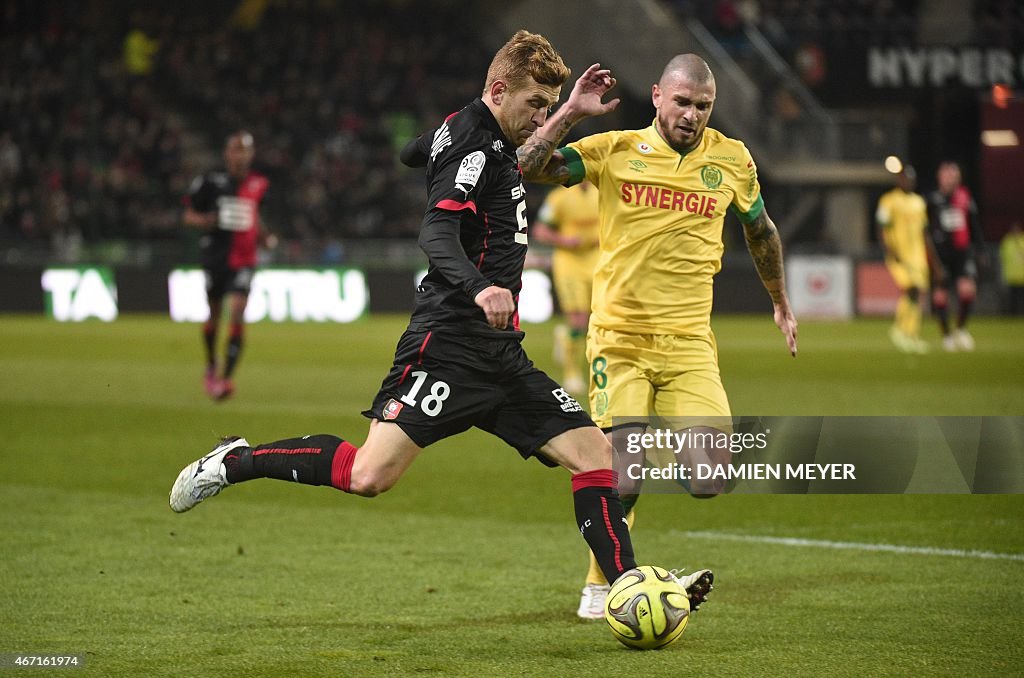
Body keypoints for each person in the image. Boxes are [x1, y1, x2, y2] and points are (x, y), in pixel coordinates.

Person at [169, 31, 714, 615]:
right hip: (448, 346)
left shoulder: (469, 130)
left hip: (502, 356)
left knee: (597, 459)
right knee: (368, 475)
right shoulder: (476, 149)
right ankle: (234, 461)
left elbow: (414, 150)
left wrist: (535, 120)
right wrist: (481, 288)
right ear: (500, 91)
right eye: (535, 104)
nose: (541, 118)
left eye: (549, 106)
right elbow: (435, 231)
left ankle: (623, 589)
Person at [518, 53, 797, 618]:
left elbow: (761, 232)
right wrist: (570, 112)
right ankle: (607, 583)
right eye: (683, 102)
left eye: (703, 106)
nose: (692, 115)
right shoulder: (614, 151)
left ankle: (629, 468)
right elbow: (527, 164)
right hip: (619, 339)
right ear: (657, 96)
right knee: (621, 476)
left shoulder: (733, 160)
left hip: (691, 344)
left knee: (709, 481)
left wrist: (780, 302)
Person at [182, 130, 271, 401]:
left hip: (244, 259)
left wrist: (265, 237)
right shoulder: (209, 182)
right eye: (237, 150)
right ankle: (211, 364)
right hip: (215, 258)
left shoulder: (259, 184)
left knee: (238, 310)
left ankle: (226, 378)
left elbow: (253, 216)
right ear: (227, 153)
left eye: (246, 150)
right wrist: (204, 221)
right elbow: (188, 215)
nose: (242, 156)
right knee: (214, 314)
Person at [530, 180, 600, 395]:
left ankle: (566, 338)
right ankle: (572, 373)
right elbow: (539, 230)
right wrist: (565, 240)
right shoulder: (558, 197)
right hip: (569, 262)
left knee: (595, 318)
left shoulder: (603, 191)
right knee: (578, 318)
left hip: (597, 257)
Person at [926, 161, 983, 352]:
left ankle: (961, 329)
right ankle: (947, 336)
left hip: (962, 252)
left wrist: (981, 249)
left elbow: (974, 224)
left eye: (954, 175)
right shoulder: (933, 200)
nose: (951, 179)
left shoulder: (965, 197)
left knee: (967, 290)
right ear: (940, 178)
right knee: (941, 296)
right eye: (947, 175)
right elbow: (925, 230)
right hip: (941, 255)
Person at [875, 165, 931, 353]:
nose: (907, 181)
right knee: (912, 289)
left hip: (918, 257)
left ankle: (911, 334)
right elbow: (881, 227)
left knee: (918, 293)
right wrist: (889, 249)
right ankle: (899, 330)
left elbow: (924, 232)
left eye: (910, 179)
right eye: (904, 178)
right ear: (899, 180)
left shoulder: (919, 202)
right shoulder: (889, 200)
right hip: (899, 255)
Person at [999, 221, 1024, 315]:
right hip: (1011, 276)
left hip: (1022, 276)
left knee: (1021, 298)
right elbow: (1002, 256)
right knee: (1012, 299)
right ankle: (1012, 315)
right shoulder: (1007, 241)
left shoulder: (1023, 240)